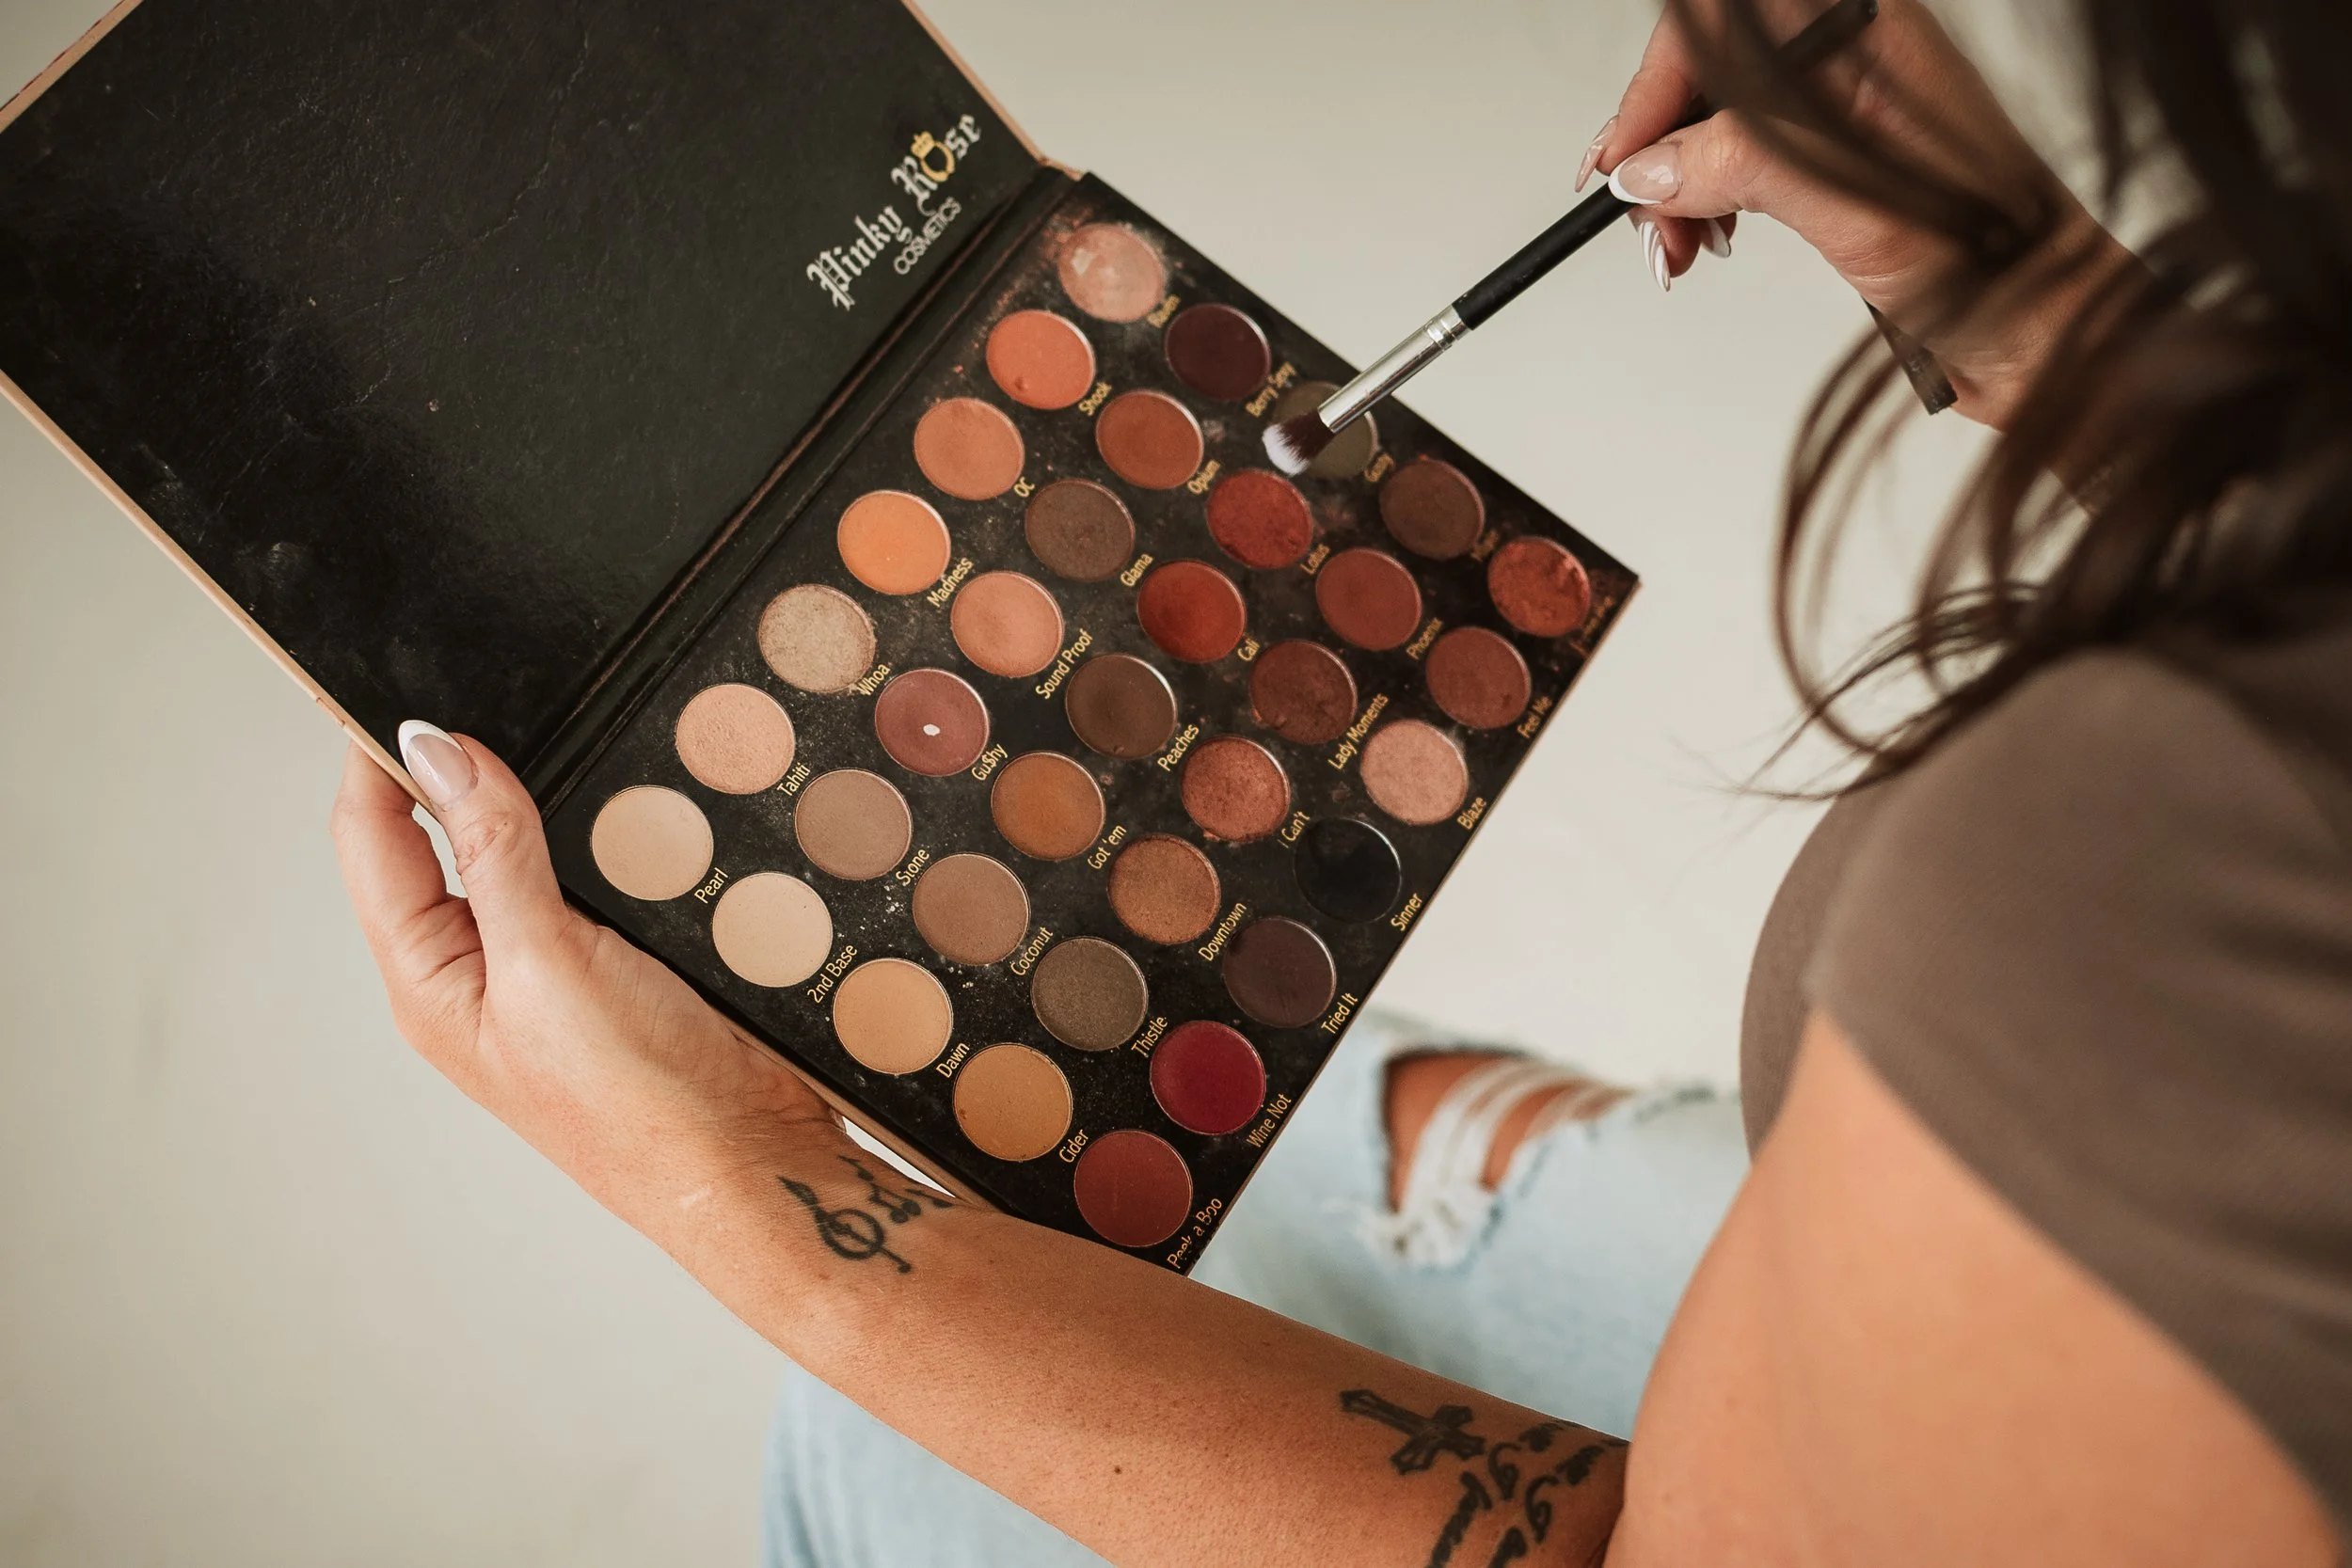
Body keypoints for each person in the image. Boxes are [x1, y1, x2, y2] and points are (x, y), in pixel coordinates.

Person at [330, 0, 2352, 1560]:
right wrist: (2027, 293)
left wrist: (747, 1180)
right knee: (1282, 1172)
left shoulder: (2138, 877)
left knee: (876, 1435)